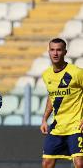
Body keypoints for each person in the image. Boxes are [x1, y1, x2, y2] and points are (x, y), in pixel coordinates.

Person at [40, 38, 83, 168]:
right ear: (48, 52)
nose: (55, 53)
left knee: (80, 163)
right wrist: (44, 119)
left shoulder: (77, 73)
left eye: (59, 50)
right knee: (47, 163)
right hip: (57, 127)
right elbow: (52, 97)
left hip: (76, 126)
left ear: (65, 52)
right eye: (52, 50)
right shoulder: (46, 74)